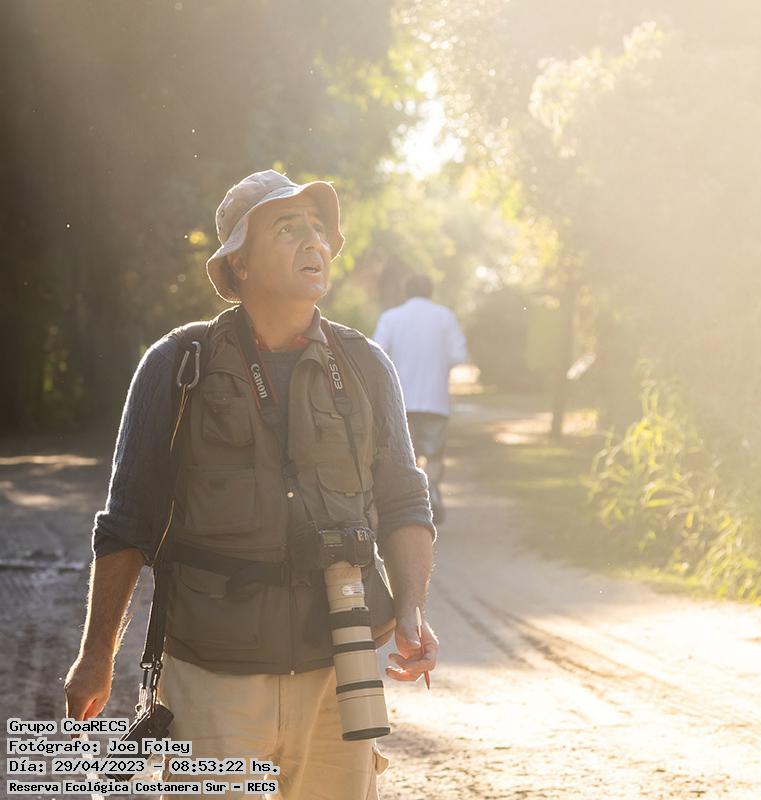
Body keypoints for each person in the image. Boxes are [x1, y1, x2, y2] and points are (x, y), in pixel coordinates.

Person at [64, 170, 439, 800]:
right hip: (211, 679)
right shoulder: (177, 365)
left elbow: (404, 499)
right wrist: (97, 652)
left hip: (338, 675)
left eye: (317, 227)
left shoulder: (365, 367)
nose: (313, 241)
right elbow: (127, 520)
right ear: (239, 262)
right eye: (287, 229)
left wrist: (410, 609)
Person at [372, 275, 468, 524]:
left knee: (405, 456)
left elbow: (376, 354)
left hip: (399, 401)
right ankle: (432, 491)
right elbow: (459, 355)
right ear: (430, 291)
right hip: (436, 399)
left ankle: (409, 506)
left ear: (405, 291)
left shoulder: (391, 318)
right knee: (434, 454)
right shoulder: (445, 317)